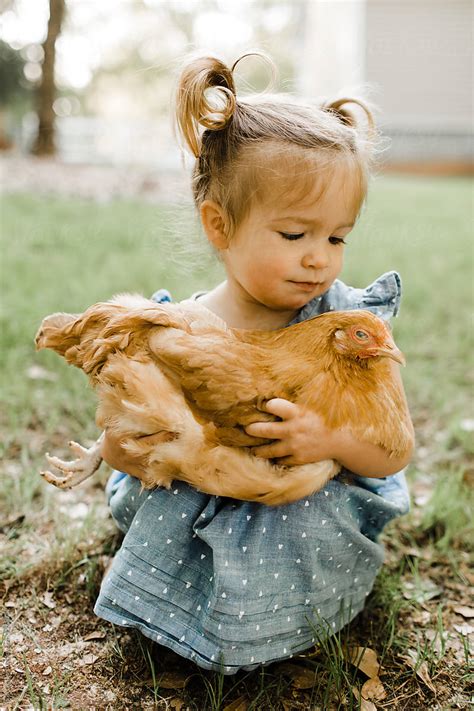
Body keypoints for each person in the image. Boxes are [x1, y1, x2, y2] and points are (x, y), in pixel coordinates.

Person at [95, 53, 414, 674]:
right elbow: (126, 425)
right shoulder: (185, 329)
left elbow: (393, 452)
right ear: (220, 225)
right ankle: (171, 594)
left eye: (337, 237)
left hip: (301, 505)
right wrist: (121, 450)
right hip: (193, 496)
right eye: (296, 236)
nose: (319, 259)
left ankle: (281, 621)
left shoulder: (352, 328)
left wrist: (328, 439)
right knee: (161, 512)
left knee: (305, 530)